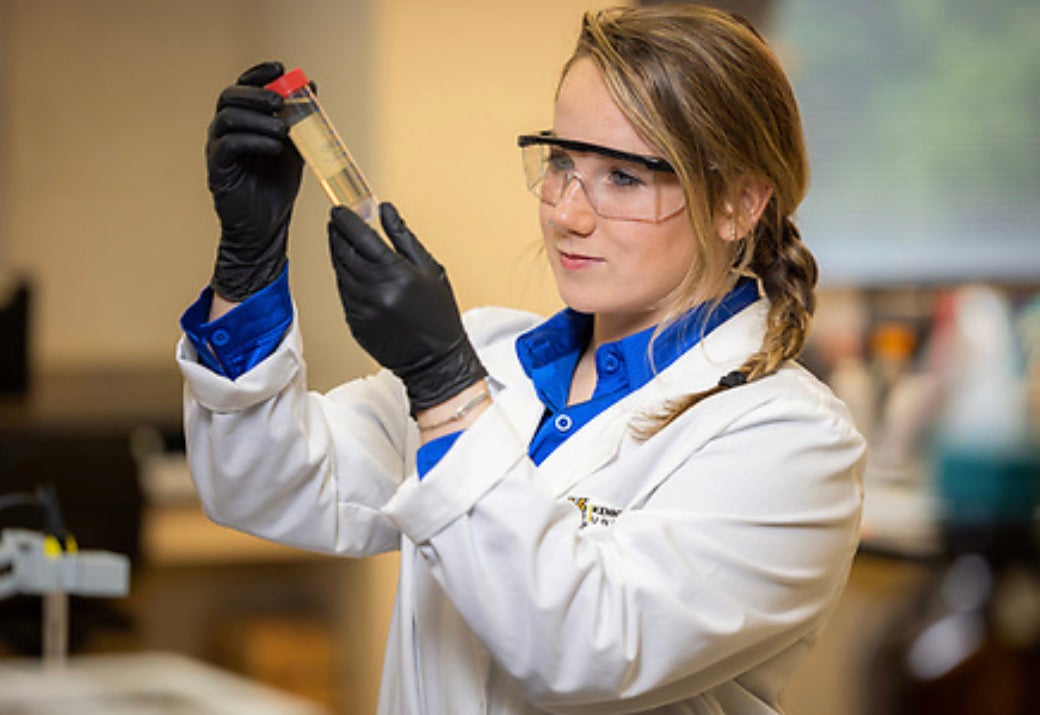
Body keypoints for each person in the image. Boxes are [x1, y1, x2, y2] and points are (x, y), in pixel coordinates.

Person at [178, 5, 865, 713]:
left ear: (738, 203)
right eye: (563, 161)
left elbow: (586, 648)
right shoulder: (494, 358)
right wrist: (248, 268)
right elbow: (264, 482)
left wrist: (444, 388)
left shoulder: (793, 443)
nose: (567, 211)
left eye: (623, 178)